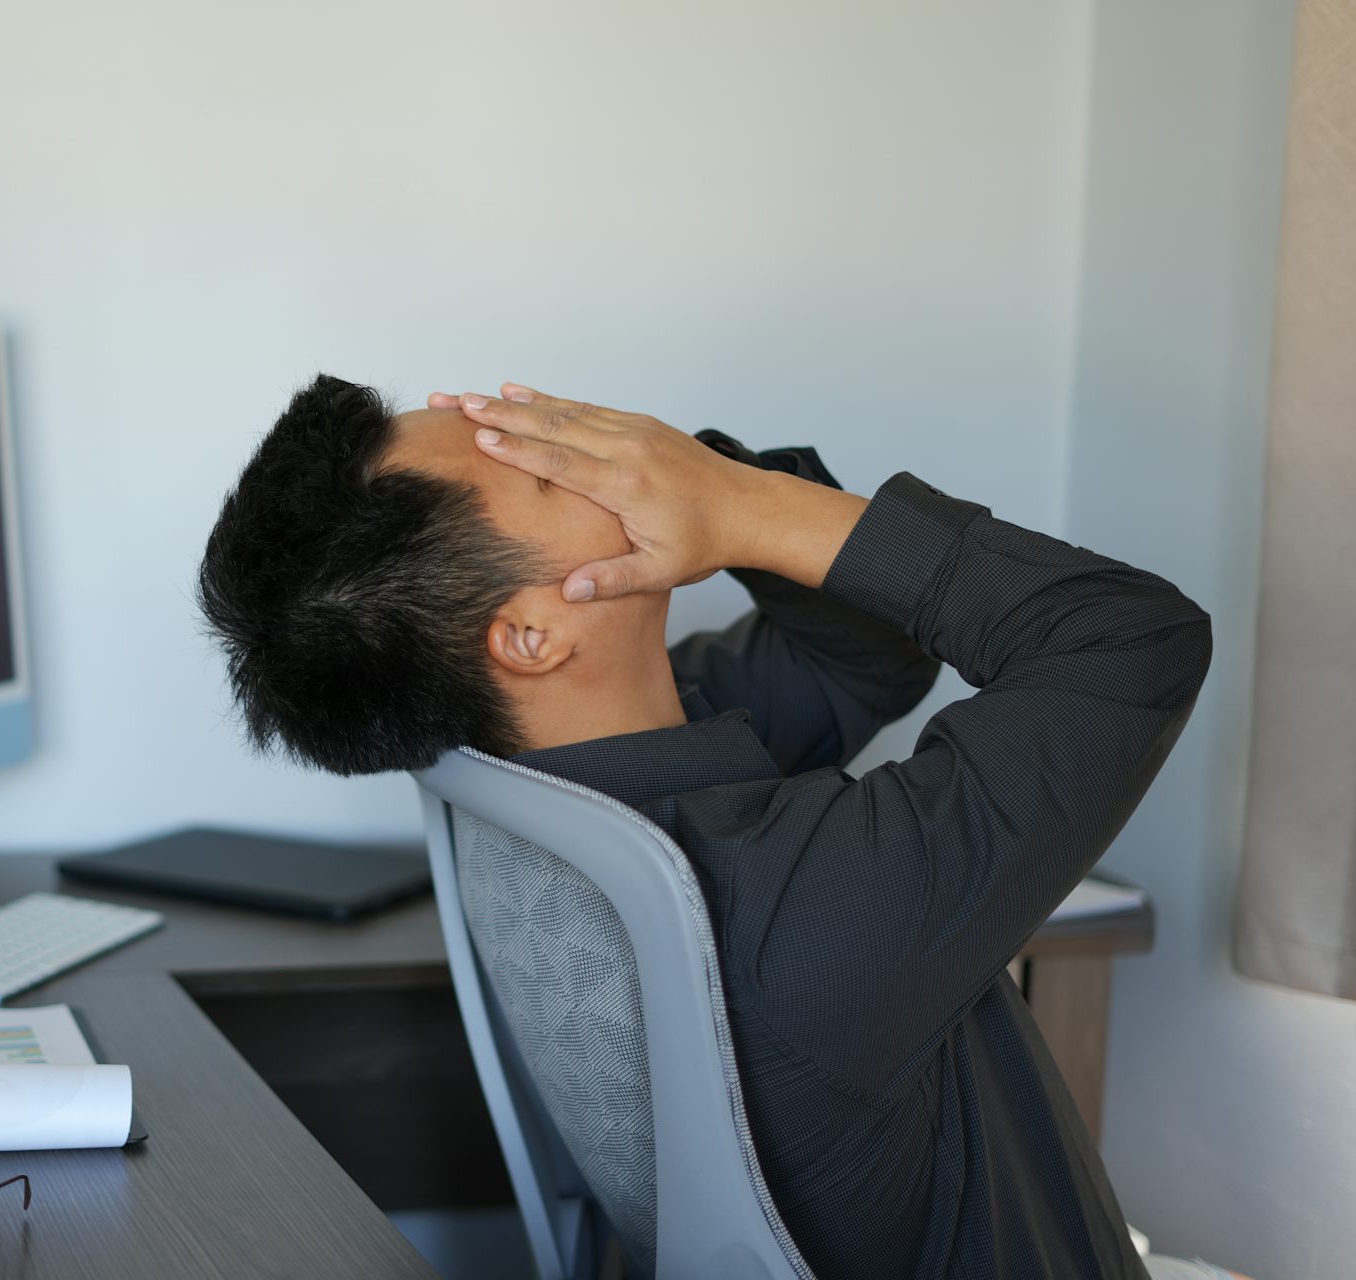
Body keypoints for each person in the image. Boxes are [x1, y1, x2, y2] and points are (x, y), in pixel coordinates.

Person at [198, 374, 1238, 1280]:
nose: (572, 436)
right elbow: (1131, 641)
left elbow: (866, 665)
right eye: (544, 468)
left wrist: (703, 478)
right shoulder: (796, 902)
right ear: (527, 634)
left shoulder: (540, 778)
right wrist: (740, 505)